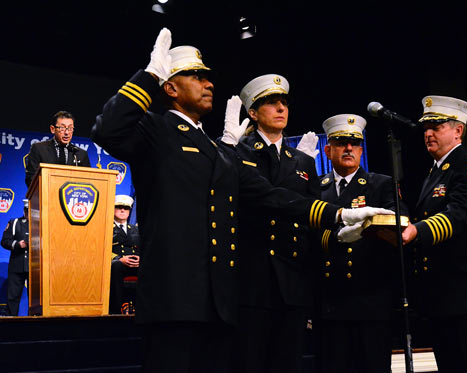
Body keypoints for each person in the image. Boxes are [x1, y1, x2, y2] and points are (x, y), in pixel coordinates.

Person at [90, 28, 376, 373]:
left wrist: (340, 214)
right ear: (171, 87)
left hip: (220, 304)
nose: (209, 83)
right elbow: (108, 130)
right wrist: (149, 75)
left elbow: (272, 197)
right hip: (174, 298)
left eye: (208, 77)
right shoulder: (156, 130)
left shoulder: (216, 150)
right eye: (196, 77)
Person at [401, 95, 467, 373]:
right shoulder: (434, 173)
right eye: (426, 127)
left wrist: (416, 231)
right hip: (442, 297)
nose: (428, 133)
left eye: (437, 126)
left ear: (458, 130)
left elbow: (460, 215)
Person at [231, 74, 321, 373]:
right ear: (253, 114)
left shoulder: (303, 161)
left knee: (288, 362)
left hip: (293, 278)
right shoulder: (238, 152)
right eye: (271, 103)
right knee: (250, 361)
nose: (281, 108)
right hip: (252, 278)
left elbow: (311, 220)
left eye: (283, 102)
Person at [317, 114, 399, 373]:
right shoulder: (317, 189)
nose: (349, 148)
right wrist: (337, 236)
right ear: (328, 150)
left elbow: (396, 227)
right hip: (330, 303)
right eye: (341, 142)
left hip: (370, 301)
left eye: (354, 143)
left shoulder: (381, 185)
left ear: (361, 149)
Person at [25, 111, 91, 186]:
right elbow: (31, 179)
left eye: (70, 128)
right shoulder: (39, 149)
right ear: (52, 129)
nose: (66, 132)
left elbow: (88, 181)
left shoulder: (80, 154)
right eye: (62, 128)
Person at [109, 194, 141, 315]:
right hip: (118, 265)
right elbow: (103, 250)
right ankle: (116, 309)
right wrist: (119, 259)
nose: (123, 210)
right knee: (116, 266)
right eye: (119, 207)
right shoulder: (107, 228)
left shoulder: (135, 229)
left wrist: (141, 258)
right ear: (113, 209)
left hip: (136, 264)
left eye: (126, 208)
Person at [1, 199, 29, 316]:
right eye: (27, 210)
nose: (29, 213)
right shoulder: (14, 222)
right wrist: (17, 244)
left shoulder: (41, 223)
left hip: (35, 267)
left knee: (37, 298)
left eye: (31, 210)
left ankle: (38, 325)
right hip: (16, 266)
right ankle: (11, 327)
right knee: (12, 297)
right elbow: (4, 241)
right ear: (24, 210)